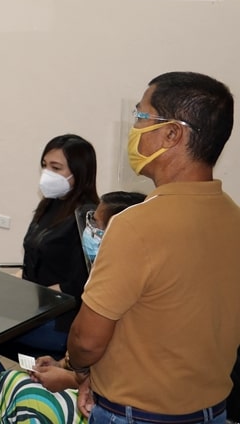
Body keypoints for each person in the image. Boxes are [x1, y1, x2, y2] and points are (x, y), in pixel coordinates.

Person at [66, 72, 240, 422]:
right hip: (212, 412)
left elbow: (87, 341)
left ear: (172, 133)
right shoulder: (233, 218)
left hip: (135, 415)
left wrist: (81, 371)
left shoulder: (135, 225)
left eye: (141, 116)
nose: (134, 128)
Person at [0, 191, 146, 424]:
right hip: (89, 382)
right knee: (12, 382)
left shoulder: (127, 289)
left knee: (18, 390)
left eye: (96, 225)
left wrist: (69, 378)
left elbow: (119, 370)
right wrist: (60, 364)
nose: (89, 230)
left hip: (110, 403)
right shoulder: (110, 274)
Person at [0, 134, 99, 387]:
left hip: (61, 320)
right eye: (45, 165)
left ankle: (2, 399)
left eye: (56, 168)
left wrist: (23, 301)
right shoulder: (49, 206)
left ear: (79, 172)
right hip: (34, 308)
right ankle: (3, 399)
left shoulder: (88, 218)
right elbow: (32, 265)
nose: (47, 173)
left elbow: (78, 285)